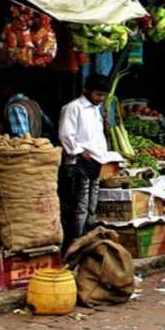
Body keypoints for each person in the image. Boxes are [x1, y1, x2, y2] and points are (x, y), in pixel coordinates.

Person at [59, 74, 111, 245]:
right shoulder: (73, 107)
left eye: (104, 95)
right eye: (98, 94)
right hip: (80, 161)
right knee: (81, 204)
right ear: (87, 91)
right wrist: (80, 152)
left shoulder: (96, 109)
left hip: (95, 160)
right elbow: (66, 134)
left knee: (92, 203)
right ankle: (77, 240)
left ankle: (89, 237)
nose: (101, 99)